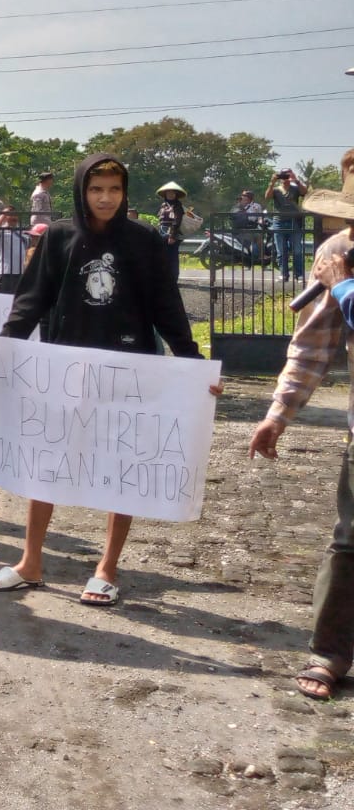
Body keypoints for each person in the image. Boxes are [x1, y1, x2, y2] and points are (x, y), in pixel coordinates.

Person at [0, 153, 219, 606]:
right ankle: (30, 562)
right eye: (96, 189)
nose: (105, 198)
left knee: (121, 463)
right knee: (47, 459)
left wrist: (193, 363)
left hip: (129, 367)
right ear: (81, 191)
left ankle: (107, 567)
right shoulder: (58, 236)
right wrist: (0, 351)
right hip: (63, 368)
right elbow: (31, 300)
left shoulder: (145, 240)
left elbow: (166, 305)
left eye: (114, 189)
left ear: (124, 192)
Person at [248, 148, 354, 700]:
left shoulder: (342, 274)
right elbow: (312, 349)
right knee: (350, 539)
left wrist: (345, 288)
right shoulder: (338, 252)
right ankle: (330, 650)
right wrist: (277, 415)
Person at [267, 168, 308, 282]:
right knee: (281, 251)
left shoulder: (295, 188)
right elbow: (267, 196)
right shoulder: (276, 189)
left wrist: (296, 180)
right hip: (278, 222)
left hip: (294, 222)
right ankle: (283, 274)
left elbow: (305, 192)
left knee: (297, 250)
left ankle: (299, 275)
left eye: (287, 175)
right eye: (283, 175)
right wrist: (272, 182)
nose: (285, 177)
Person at [0, 207, 29, 294]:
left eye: (15, 215)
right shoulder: (1, 230)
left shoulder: (23, 231)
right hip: (4, 272)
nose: (13, 217)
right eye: (10, 215)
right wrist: (4, 213)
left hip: (20, 271)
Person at [155, 181, 188, 283]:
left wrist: (172, 236)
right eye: (168, 193)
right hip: (162, 233)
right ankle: (165, 278)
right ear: (165, 194)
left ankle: (173, 279)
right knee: (163, 256)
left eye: (172, 193)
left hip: (173, 234)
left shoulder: (178, 206)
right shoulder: (163, 205)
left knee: (172, 257)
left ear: (176, 194)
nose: (170, 195)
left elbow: (177, 221)